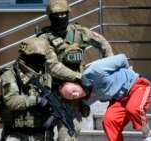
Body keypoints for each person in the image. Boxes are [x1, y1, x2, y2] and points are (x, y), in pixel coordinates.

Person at [37, 0, 114, 140]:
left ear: (67, 14)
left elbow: (102, 42)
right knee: (44, 136)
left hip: (74, 97)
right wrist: (79, 77)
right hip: (51, 94)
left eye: (63, 14)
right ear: (50, 16)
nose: (60, 17)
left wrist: (110, 66)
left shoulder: (79, 33)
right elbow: (53, 66)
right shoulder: (44, 39)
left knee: (67, 137)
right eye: (56, 14)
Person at [59, 54, 151, 141]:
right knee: (108, 121)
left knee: (133, 109)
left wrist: (127, 73)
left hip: (136, 85)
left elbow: (122, 58)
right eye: (72, 97)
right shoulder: (86, 99)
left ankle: (147, 135)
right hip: (118, 99)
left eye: (74, 90)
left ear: (76, 83)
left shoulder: (94, 71)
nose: (76, 94)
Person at [0, 37, 54, 141]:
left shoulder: (45, 75)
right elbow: (11, 101)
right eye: (41, 56)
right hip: (16, 134)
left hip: (41, 134)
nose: (44, 59)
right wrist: (36, 100)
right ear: (32, 56)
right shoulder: (10, 74)